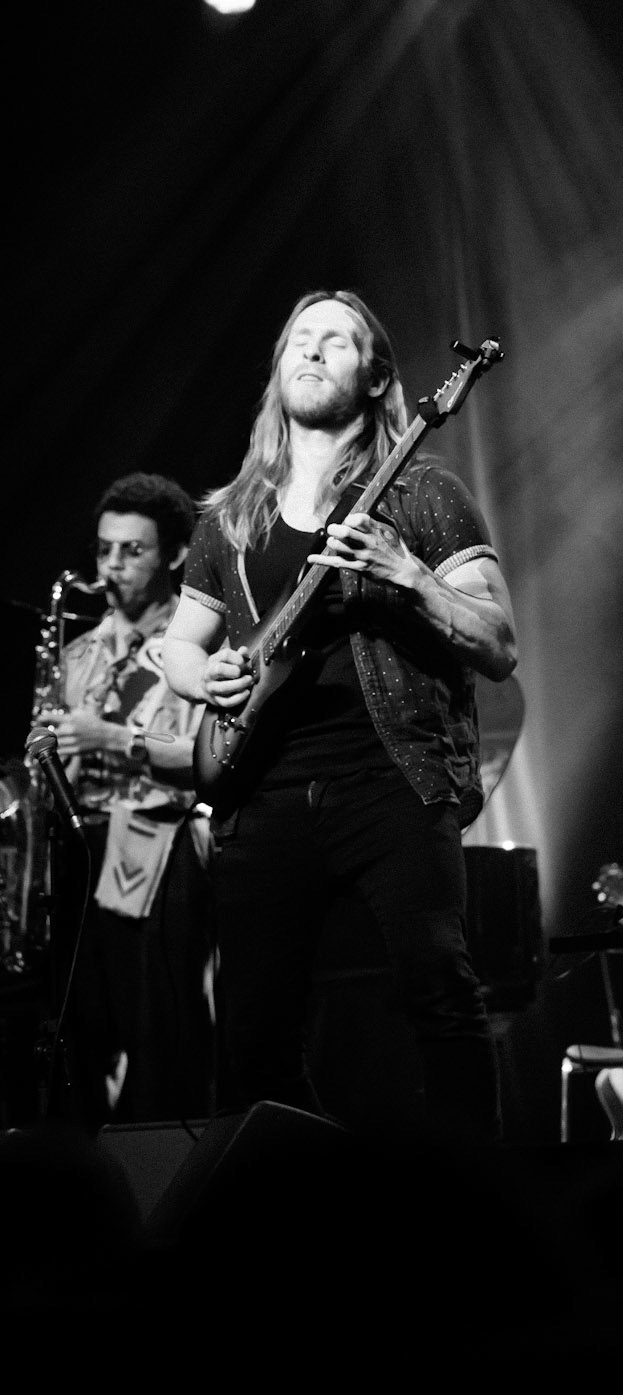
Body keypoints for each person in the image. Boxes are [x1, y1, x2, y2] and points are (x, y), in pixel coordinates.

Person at [162, 290, 515, 1142]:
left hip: (389, 777)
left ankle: (472, 1205)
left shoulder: (423, 490)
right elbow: (179, 646)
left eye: (337, 343)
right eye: (299, 341)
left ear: (375, 377)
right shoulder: (233, 515)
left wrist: (409, 576)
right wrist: (204, 676)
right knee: (252, 1030)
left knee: (439, 988)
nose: (312, 354)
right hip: (262, 787)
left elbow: (498, 642)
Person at [39, 471, 213, 1126]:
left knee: (162, 1044)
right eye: (105, 550)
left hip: (164, 856)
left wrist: (110, 736)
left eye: (131, 551)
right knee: (77, 1041)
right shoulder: (78, 653)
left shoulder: (198, 647)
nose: (112, 567)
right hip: (81, 861)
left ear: (172, 555)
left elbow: (208, 761)